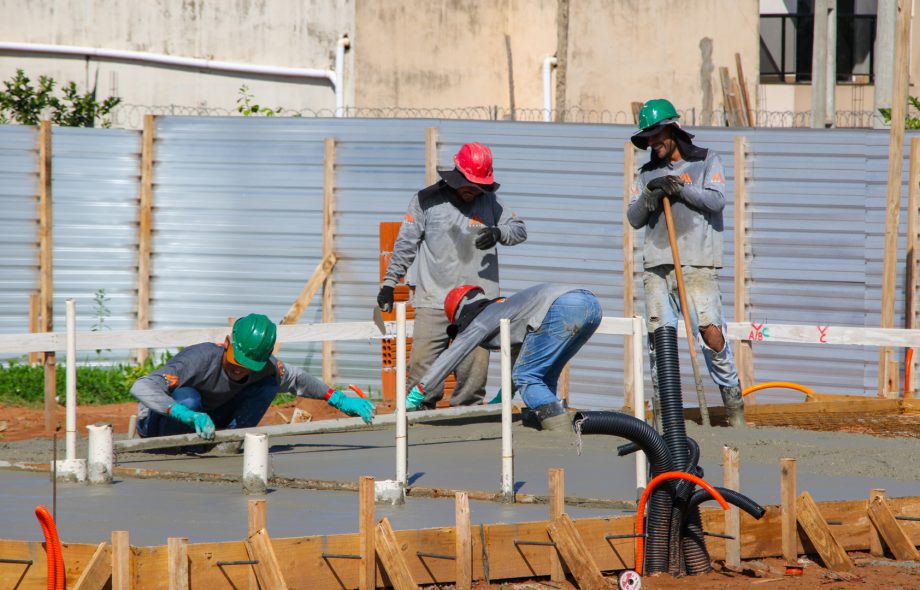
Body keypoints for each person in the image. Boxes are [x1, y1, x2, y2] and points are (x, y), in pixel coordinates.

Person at [377, 142, 527, 409]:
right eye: (470, 185)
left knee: (474, 375)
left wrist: (499, 233)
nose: (474, 191)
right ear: (457, 176)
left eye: (479, 186)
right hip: (434, 298)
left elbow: (519, 230)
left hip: (479, 305)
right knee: (422, 370)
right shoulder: (426, 200)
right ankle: (417, 418)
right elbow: (405, 244)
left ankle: (466, 419)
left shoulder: (491, 202)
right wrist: (390, 283)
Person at [626, 98, 745, 426]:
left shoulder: (706, 160)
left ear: (672, 131)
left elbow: (716, 201)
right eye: (647, 138)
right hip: (657, 267)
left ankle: (734, 409)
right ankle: (666, 421)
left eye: (656, 135)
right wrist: (651, 195)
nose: (652, 143)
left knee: (710, 334)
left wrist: (679, 190)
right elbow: (634, 218)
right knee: (659, 340)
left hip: (697, 264)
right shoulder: (646, 173)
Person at [131, 313, 376, 445]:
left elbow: (298, 378)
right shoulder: (199, 359)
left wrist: (340, 400)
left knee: (267, 386)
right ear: (227, 344)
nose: (240, 370)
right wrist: (184, 413)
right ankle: (177, 446)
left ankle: (228, 443)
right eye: (237, 362)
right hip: (160, 425)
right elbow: (142, 386)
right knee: (189, 398)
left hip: (209, 420)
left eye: (248, 367)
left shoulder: (265, 366)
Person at [405, 283, 602, 431]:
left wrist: (419, 392)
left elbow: (452, 355)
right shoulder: (507, 309)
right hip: (591, 305)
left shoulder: (479, 318)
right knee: (543, 376)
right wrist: (503, 397)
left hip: (562, 306)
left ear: (459, 316)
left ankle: (561, 432)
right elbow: (521, 360)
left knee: (528, 378)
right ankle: (547, 423)